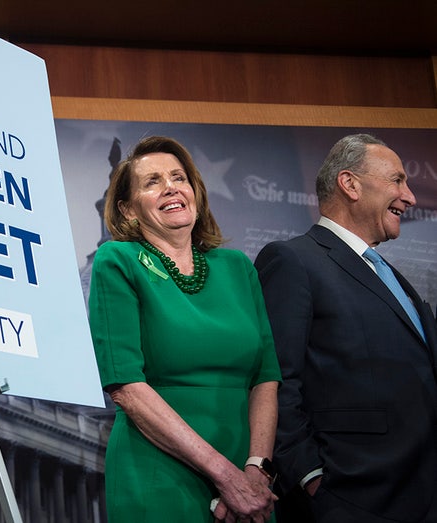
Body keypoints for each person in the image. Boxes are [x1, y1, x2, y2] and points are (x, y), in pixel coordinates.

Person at [88, 136, 281, 522]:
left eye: (179, 177)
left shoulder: (238, 267)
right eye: (153, 182)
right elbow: (126, 387)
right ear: (128, 209)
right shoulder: (118, 260)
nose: (171, 187)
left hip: (249, 480)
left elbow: (266, 378)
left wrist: (255, 470)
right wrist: (225, 476)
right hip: (158, 476)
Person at [255, 133, 437, 522]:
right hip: (353, 500)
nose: (410, 197)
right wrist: (311, 478)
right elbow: (276, 380)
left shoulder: (394, 278)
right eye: (397, 180)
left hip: (422, 493)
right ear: (349, 183)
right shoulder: (293, 261)